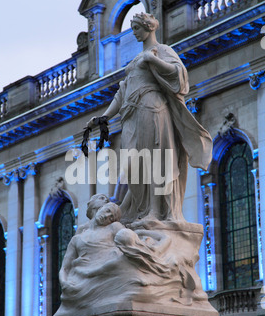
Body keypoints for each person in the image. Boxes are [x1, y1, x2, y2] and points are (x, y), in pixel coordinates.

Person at [87, 12, 212, 224]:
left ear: (148, 27)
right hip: (131, 115)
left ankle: (154, 211)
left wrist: (152, 59)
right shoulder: (136, 59)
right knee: (132, 165)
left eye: (136, 28)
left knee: (155, 161)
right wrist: (104, 117)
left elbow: (178, 74)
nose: (134, 33)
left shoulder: (162, 50)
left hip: (151, 108)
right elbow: (122, 92)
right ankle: (142, 209)